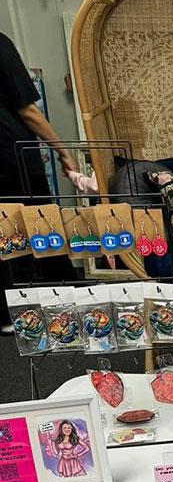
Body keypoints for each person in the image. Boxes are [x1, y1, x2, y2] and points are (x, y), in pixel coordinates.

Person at [1, 32, 77, 332]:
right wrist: (63, 152)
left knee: (6, 237)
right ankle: (65, 303)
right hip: (12, 156)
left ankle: (10, 315)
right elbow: (28, 111)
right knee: (43, 228)